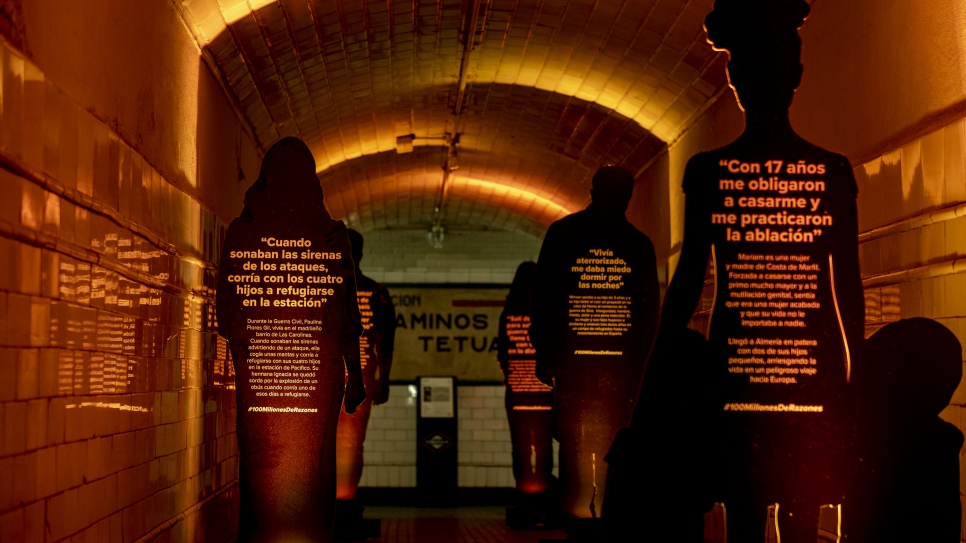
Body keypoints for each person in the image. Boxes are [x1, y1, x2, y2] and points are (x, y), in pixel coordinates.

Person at [640, 1, 865, 540]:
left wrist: (658, 367)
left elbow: (690, 280)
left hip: (737, 365)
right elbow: (847, 288)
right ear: (797, 77)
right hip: (813, 366)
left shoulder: (710, 172)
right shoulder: (830, 172)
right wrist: (856, 379)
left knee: (742, 506)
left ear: (735, 81)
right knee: (804, 507)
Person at [216, 137, 366, 543]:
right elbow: (347, 315)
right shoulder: (331, 237)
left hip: (263, 378)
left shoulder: (243, 233)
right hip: (314, 379)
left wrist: (251, 348)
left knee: (263, 467)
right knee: (314, 465)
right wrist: (354, 376)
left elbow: (226, 313)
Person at [530, 165, 660, 523]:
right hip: (621, 368)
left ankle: (577, 520)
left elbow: (543, 299)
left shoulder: (563, 234)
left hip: (574, 363)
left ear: (592, 191)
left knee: (573, 441)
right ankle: (609, 520)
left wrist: (544, 352)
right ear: (628, 197)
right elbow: (648, 312)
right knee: (616, 443)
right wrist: (644, 366)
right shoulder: (637, 245)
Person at [335, 229, 397, 500]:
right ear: (360, 254)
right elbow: (386, 341)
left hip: (328, 380)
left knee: (326, 445)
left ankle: (333, 506)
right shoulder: (375, 291)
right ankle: (346, 499)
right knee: (354, 444)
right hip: (363, 377)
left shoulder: (323, 289)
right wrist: (383, 380)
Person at [497, 261, 555, 525]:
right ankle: (543, 501)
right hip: (543, 394)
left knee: (519, 448)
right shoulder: (545, 315)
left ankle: (524, 497)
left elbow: (502, 355)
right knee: (543, 448)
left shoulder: (508, 314)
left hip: (517, 393)